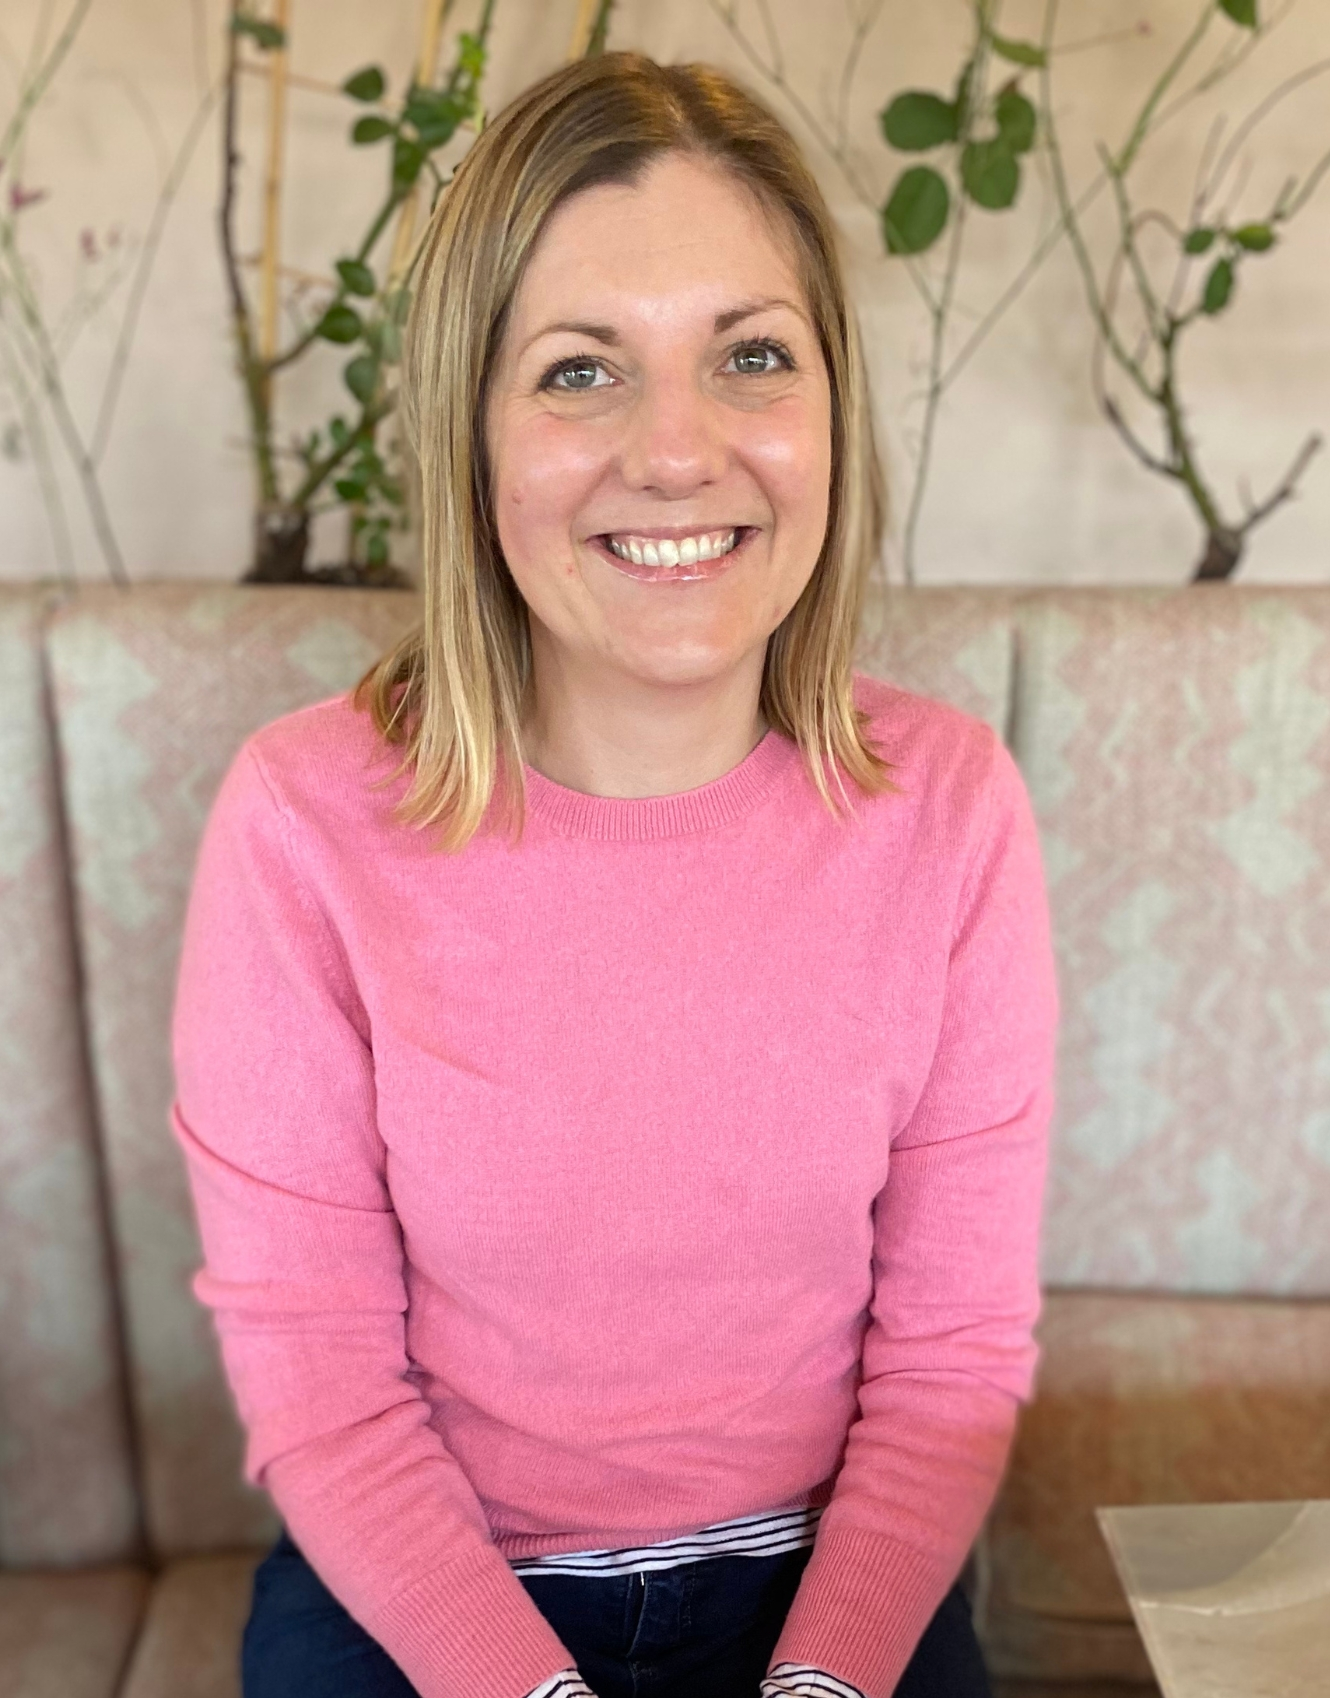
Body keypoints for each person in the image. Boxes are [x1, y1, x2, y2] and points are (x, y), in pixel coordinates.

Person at [170, 48, 1059, 1698]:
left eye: (750, 356)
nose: (676, 450)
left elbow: (945, 1361)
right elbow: (319, 1381)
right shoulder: (303, 822)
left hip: (829, 1594)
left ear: (828, 408)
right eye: (581, 372)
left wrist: (821, 1680)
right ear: (473, 432)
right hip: (425, 1599)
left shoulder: (950, 808)